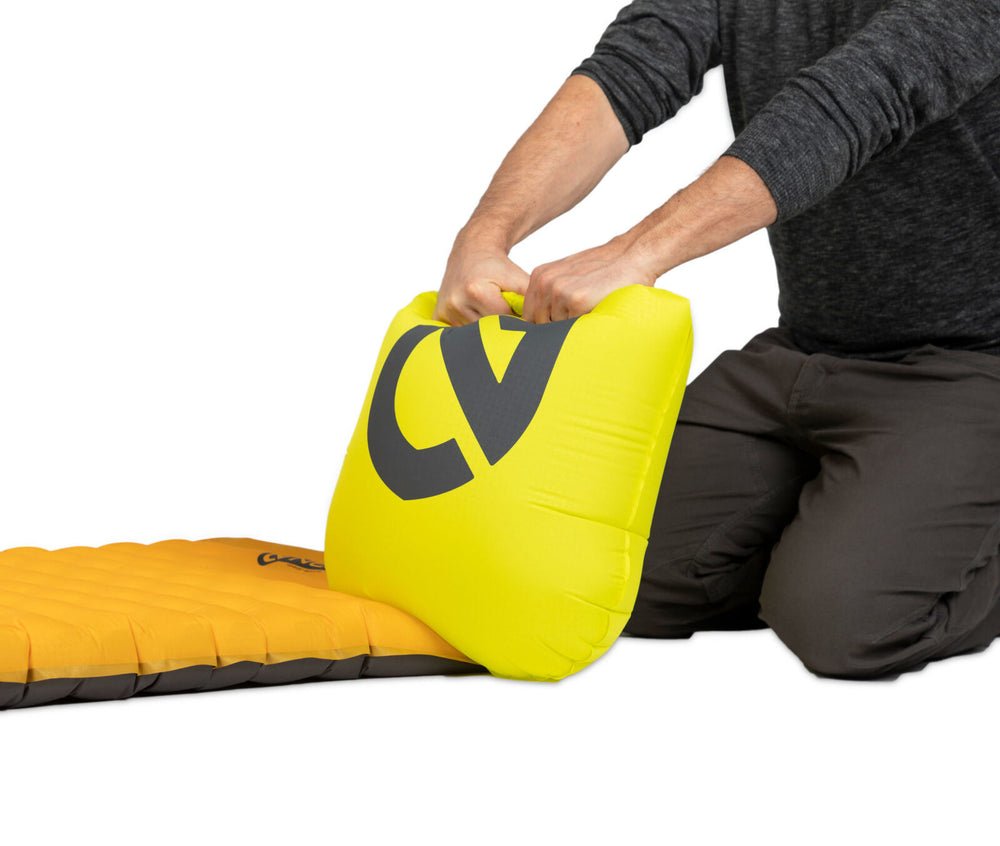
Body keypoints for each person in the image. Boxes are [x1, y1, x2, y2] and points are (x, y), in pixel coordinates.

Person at [433, 0, 1000, 680]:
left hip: (974, 366)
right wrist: (485, 235)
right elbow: (629, 69)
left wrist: (635, 255)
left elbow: (859, 96)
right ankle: (866, 519)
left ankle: (879, 539)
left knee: (842, 621)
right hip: (803, 350)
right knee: (597, 578)